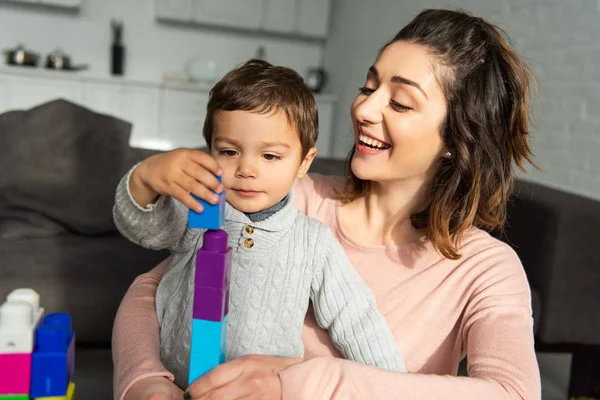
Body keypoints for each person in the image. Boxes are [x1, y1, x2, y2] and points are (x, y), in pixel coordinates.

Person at [112, 8, 542, 400]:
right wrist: (142, 379)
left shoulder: (484, 269)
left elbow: (512, 394)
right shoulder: (287, 200)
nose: (364, 108)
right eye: (368, 86)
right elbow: (153, 291)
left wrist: (300, 382)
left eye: (399, 102)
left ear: (457, 138)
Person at [112, 59, 406, 391]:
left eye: (269, 156)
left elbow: (356, 318)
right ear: (210, 149)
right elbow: (140, 227)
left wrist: (396, 387)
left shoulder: (312, 241)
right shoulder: (198, 206)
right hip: (177, 386)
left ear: (303, 162)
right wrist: (145, 177)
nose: (247, 169)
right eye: (229, 151)